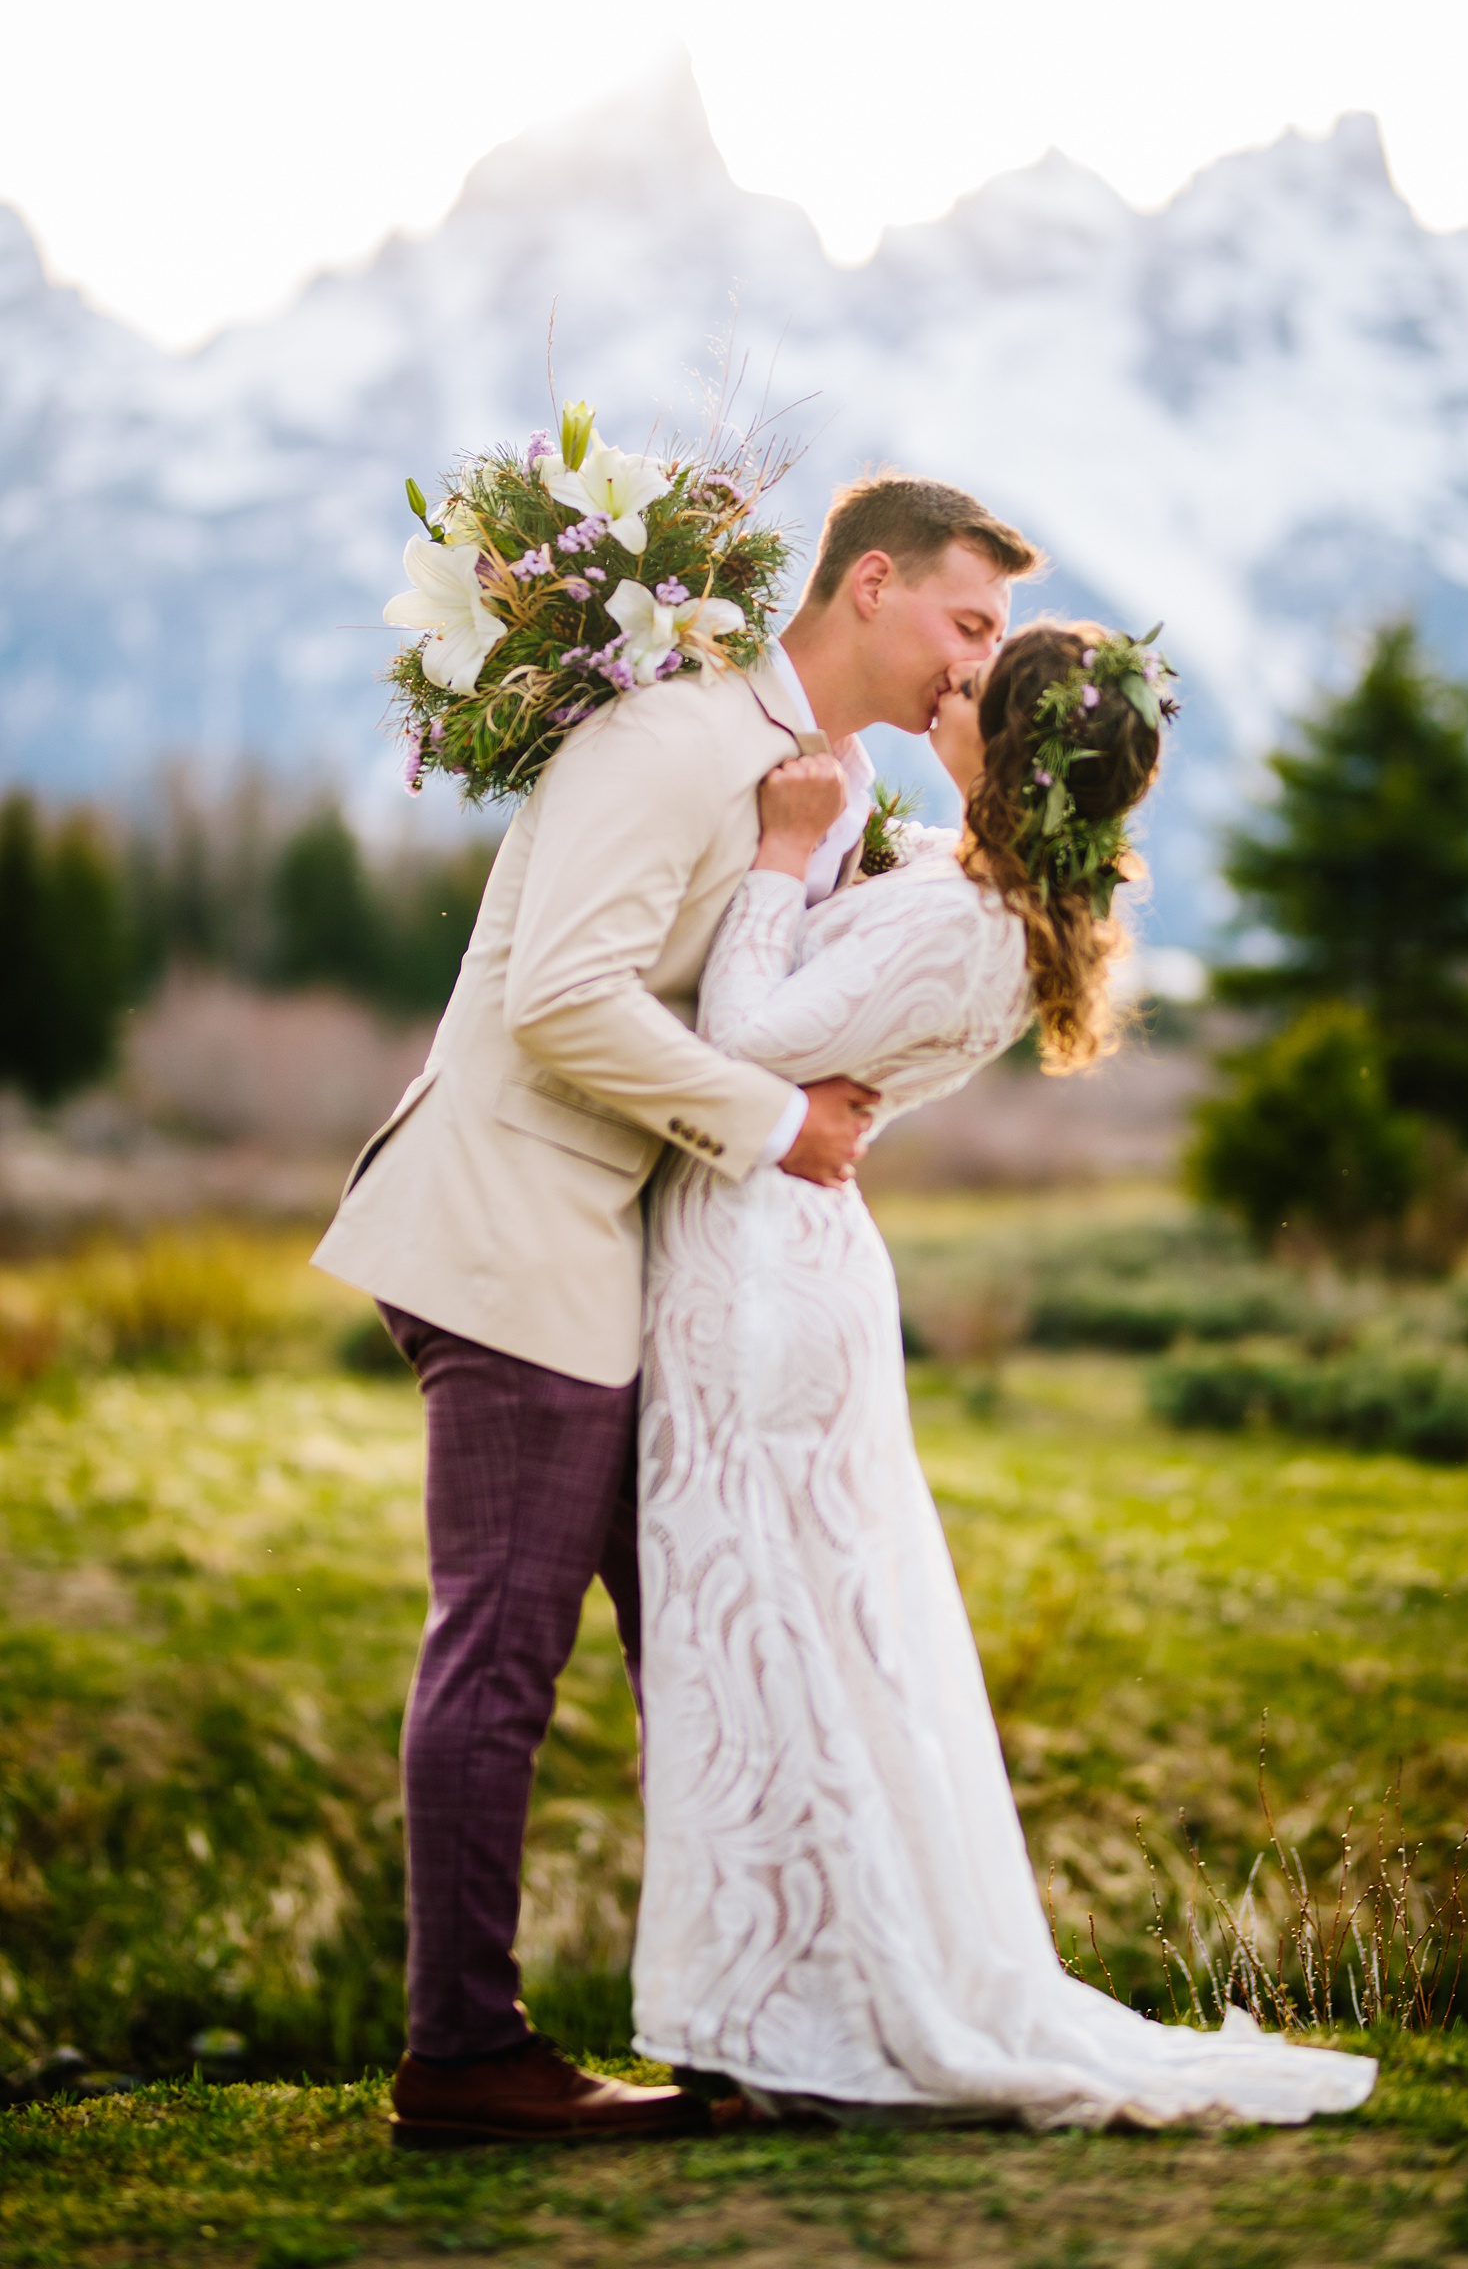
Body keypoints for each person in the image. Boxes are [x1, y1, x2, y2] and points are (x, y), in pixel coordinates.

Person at [312, 474, 1041, 2146]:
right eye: (968, 623)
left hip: (632, 1256)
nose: (979, 663)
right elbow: (564, 999)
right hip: (514, 1230)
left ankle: (763, 2018)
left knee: (710, 1633)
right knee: (502, 1646)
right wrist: (780, 1129)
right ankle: (464, 2059)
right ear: (873, 584)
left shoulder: (836, 781)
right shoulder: (670, 740)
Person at [631, 621, 1378, 2129]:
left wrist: (781, 854)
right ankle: (780, 2002)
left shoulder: (961, 920)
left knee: (769, 1646)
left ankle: (793, 2016)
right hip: (788, 1256)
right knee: (795, 1647)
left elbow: (740, 1036)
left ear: (1018, 755)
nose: (944, 693)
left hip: (765, 1273)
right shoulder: (980, 898)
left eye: (974, 689)